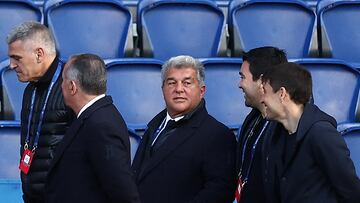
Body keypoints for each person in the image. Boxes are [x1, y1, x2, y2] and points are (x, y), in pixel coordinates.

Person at [131, 55, 236, 203]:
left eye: (187, 83)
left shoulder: (218, 135)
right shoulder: (154, 126)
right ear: (163, 89)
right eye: (172, 83)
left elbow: (219, 191)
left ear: (202, 90)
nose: (179, 89)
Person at [45, 54, 141, 203]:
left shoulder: (101, 125)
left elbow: (123, 192)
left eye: (63, 80)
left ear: (72, 86)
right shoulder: (94, 117)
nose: (61, 85)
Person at [261, 62, 360, 202]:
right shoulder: (275, 135)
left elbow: (351, 191)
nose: (262, 99)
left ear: (282, 94)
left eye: (265, 92)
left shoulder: (321, 133)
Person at [7, 21, 74, 203]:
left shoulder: (72, 86)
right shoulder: (31, 88)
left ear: (39, 54)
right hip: (33, 196)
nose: (11, 65)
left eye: (17, 58)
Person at [236, 46, 287, 203]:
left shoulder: (290, 127)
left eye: (243, 77)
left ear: (262, 81)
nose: (240, 84)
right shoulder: (253, 118)